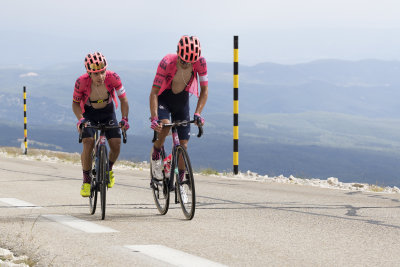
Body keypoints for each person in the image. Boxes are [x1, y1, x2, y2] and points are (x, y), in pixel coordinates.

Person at [149, 35, 208, 182]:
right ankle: (156, 155)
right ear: (178, 53)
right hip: (164, 98)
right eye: (183, 60)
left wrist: (198, 113)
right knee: (165, 126)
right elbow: (154, 92)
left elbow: (204, 91)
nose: (186, 64)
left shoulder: (201, 63)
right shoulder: (167, 62)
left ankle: (181, 181)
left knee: (184, 146)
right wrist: (154, 117)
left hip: (182, 100)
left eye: (190, 62)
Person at [72, 52, 130, 197]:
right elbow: (75, 104)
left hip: (108, 112)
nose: (100, 77)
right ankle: (86, 181)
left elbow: (124, 100)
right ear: (89, 73)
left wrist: (124, 119)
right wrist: (80, 119)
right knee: (88, 141)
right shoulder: (81, 82)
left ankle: (108, 169)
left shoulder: (114, 78)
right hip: (89, 114)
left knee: (116, 144)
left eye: (102, 72)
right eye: (96, 74)